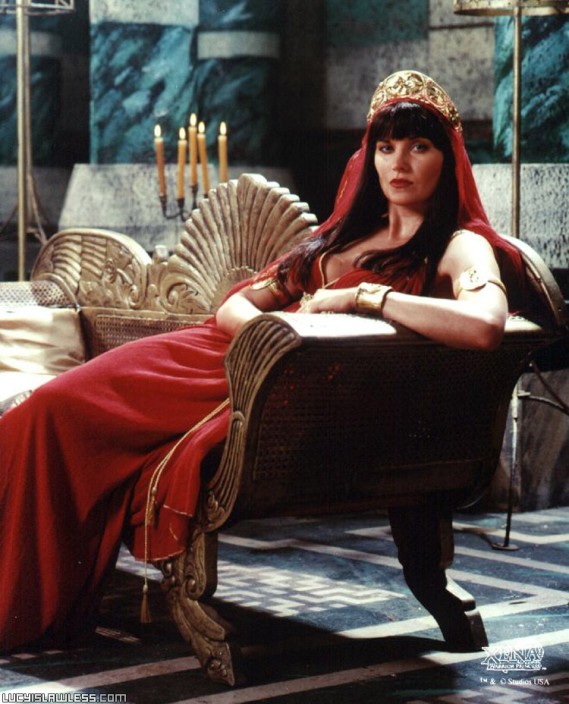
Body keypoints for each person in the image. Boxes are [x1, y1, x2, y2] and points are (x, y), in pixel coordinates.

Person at [0, 70, 528, 652]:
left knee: (53, 419)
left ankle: (22, 605)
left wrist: (364, 297)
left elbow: (485, 325)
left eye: (419, 147)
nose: (399, 163)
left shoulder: (459, 244)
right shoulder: (342, 238)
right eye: (386, 147)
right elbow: (234, 306)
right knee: (44, 411)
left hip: (273, 395)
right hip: (214, 358)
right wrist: (273, 339)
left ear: (447, 160)